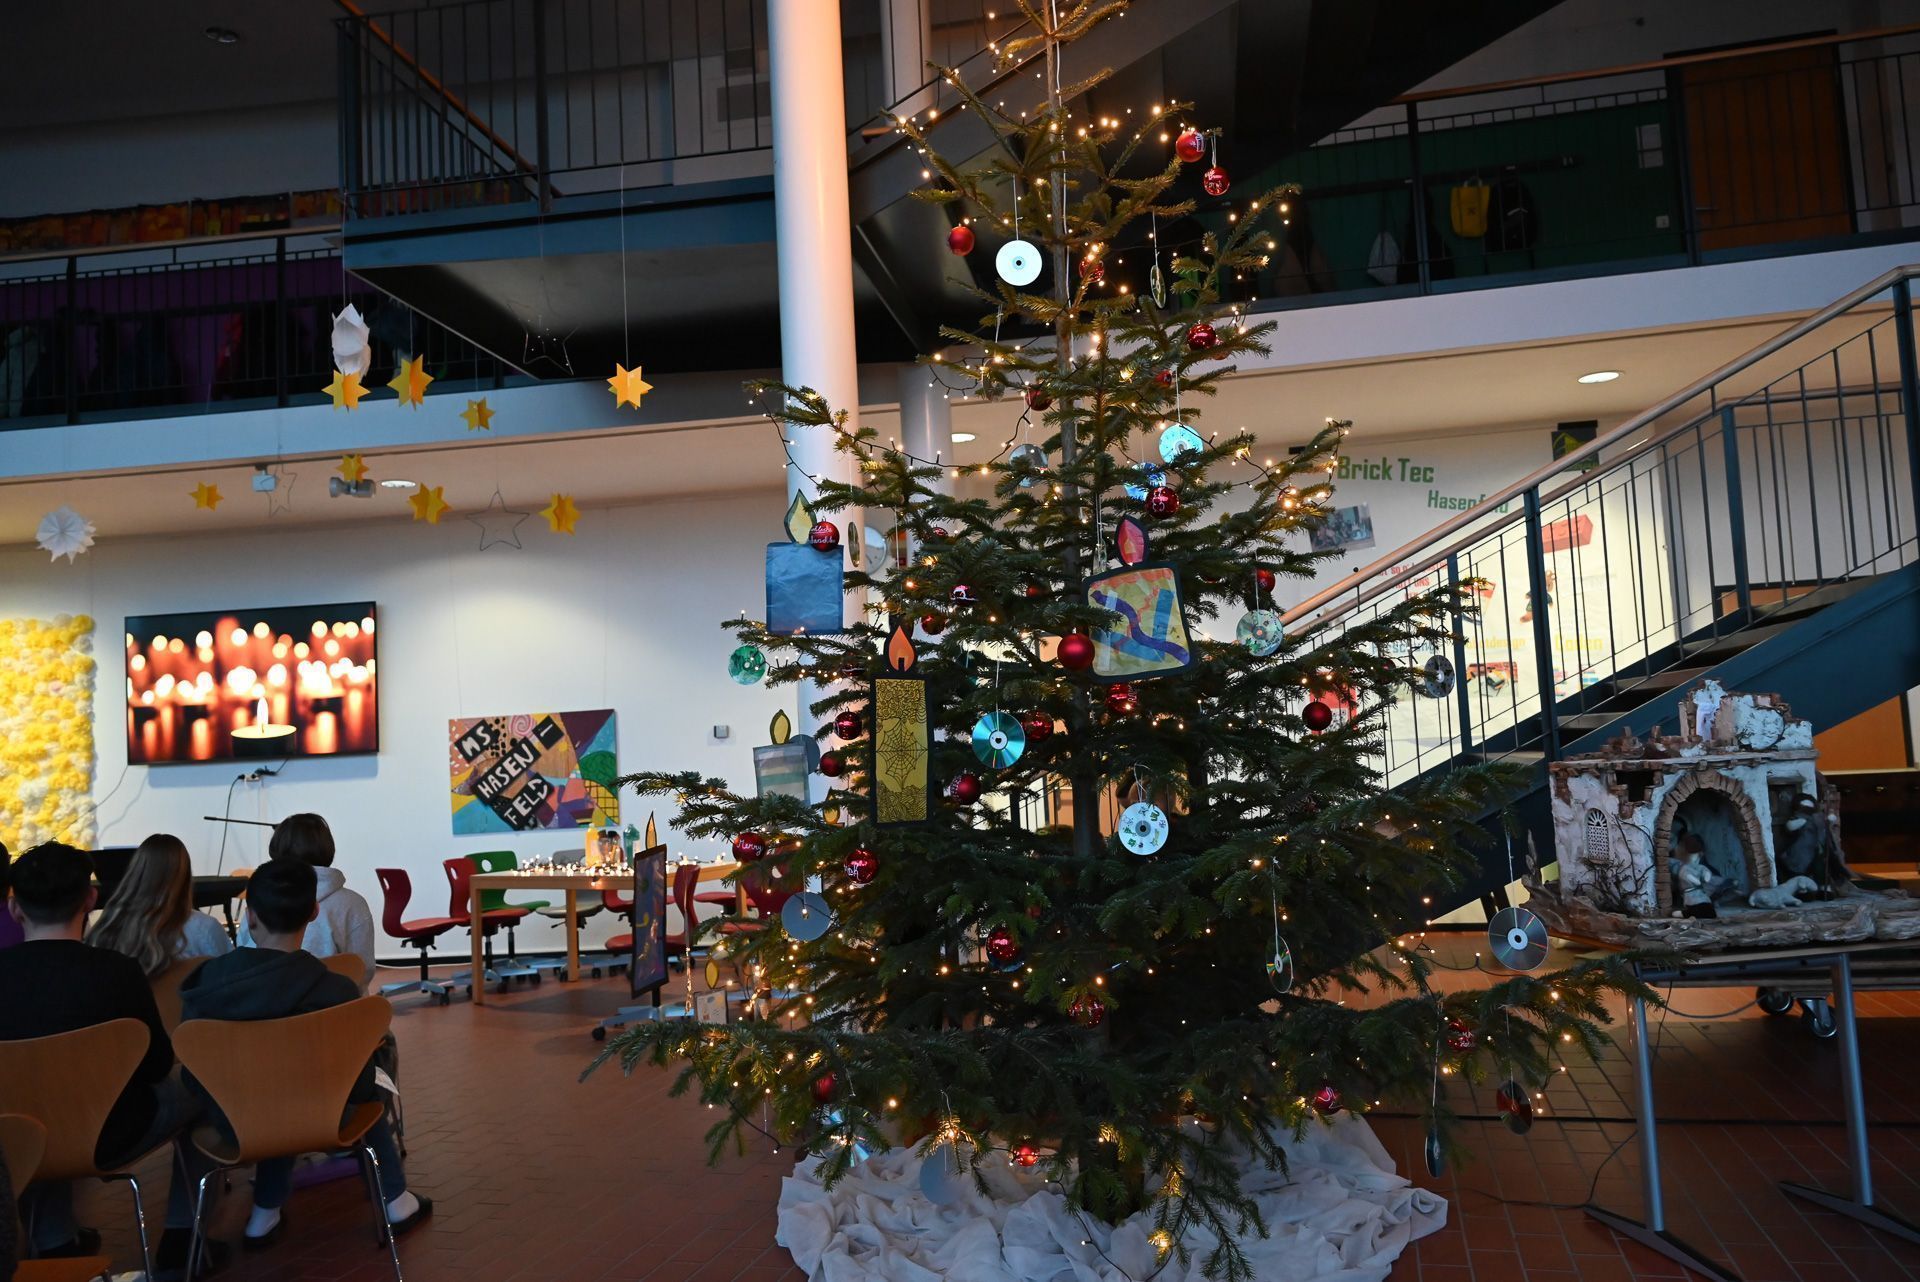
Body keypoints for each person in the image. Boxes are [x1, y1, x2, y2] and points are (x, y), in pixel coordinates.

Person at [180, 860, 429, 1247]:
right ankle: (396, 1202)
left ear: (250, 916)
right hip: (323, 1115)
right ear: (313, 911)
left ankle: (264, 1216)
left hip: (234, 1121)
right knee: (358, 1089)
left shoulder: (206, 983)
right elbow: (360, 1087)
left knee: (272, 1092)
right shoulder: (336, 991)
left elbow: (192, 1076)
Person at [0, 842, 211, 1276]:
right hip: (113, 1131)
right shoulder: (117, 971)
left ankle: (55, 1239)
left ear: (15, 907)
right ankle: (182, 1231)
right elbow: (155, 1065)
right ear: (91, 899)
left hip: (16, 1136)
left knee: (41, 1098)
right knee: (202, 1085)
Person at [235, 814, 374, 988]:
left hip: (260, 1006)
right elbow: (363, 970)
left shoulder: (260, 900)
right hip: (336, 1009)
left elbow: (242, 954)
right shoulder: (353, 904)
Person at [86, 834, 231, 977]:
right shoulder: (204, 928)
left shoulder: (109, 925)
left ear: (136, 871)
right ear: (185, 875)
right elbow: (230, 978)